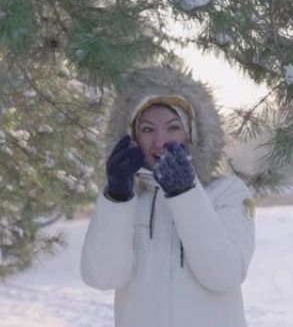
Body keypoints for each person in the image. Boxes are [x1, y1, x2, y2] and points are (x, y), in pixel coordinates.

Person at [80, 65, 255, 327]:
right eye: (148, 129)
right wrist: (116, 198)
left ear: (192, 132)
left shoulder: (227, 192)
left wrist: (185, 192)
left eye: (173, 127)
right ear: (133, 136)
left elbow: (224, 275)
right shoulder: (124, 197)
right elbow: (102, 277)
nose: (160, 141)